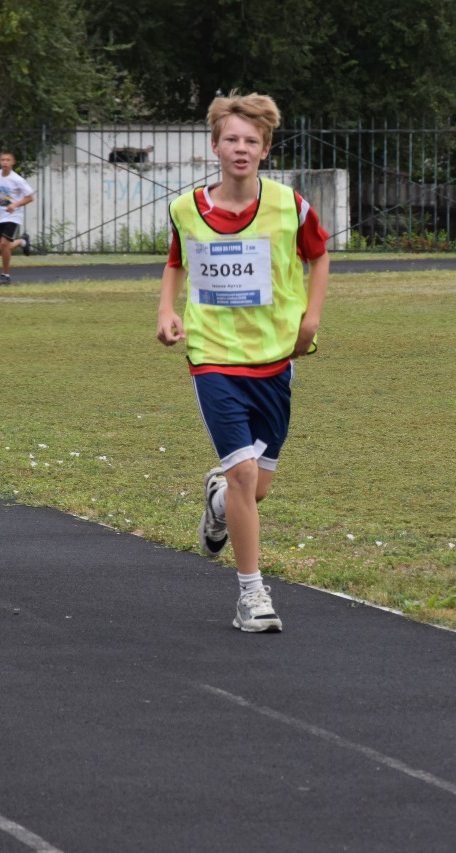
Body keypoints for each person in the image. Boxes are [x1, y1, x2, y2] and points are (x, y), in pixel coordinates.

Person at [156, 92, 329, 633]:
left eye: (251, 141)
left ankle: (216, 499)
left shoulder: (290, 206)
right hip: (212, 356)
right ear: (215, 146)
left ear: (265, 149)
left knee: (254, 488)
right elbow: (176, 259)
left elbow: (319, 255)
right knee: (244, 472)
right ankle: (252, 595)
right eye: (231, 138)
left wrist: (310, 320)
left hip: (275, 357)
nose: (240, 148)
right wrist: (166, 309)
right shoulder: (187, 209)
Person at [0, 150, 33, 285]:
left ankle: (5, 275)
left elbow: (30, 197)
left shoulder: (17, 179)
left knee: (4, 244)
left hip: (14, 215)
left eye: (8, 160)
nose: (5, 162)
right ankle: (22, 242)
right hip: (0, 215)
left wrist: (15, 204)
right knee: (1, 248)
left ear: (13, 162)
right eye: (3, 160)